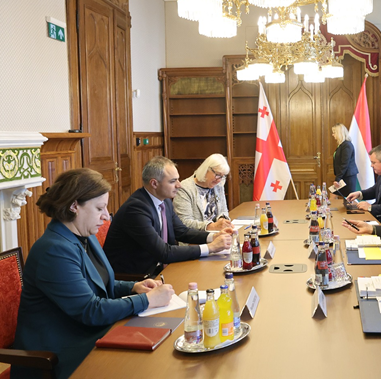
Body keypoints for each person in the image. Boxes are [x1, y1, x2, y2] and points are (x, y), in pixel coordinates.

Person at [12, 168, 175, 378]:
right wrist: (147, 301)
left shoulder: (84, 235)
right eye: (100, 208)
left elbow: (96, 282)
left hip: (84, 332)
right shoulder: (54, 250)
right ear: (74, 206)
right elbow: (90, 310)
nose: (106, 216)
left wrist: (134, 287)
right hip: (59, 352)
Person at [104, 156, 232, 276]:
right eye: (173, 181)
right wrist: (210, 247)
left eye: (178, 179)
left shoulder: (165, 201)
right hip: (137, 277)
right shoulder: (136, 209)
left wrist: (213, 236)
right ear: (154, 184)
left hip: (160, 268)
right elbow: (164, 252)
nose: (179, 185)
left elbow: (182, 232)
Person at [174, 153, 234, 231]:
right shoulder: (185, 188)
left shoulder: (218, 185)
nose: (219, 180)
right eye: (217, 174)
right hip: (196, 236)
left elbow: (223, 210)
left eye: (222, 176)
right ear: (206, 169)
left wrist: (222, 220)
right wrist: (212, 226)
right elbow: (184, 222)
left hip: (217, 233)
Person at [331, 123, 358, 196]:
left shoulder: (347, 145)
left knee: (348, 197)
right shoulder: (342, 145)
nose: (333, 135)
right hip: (343, 176)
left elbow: (344, 163)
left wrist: (338, 178)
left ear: (339, 133)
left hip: (348, 177)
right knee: (333, 194)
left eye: (334, 132)